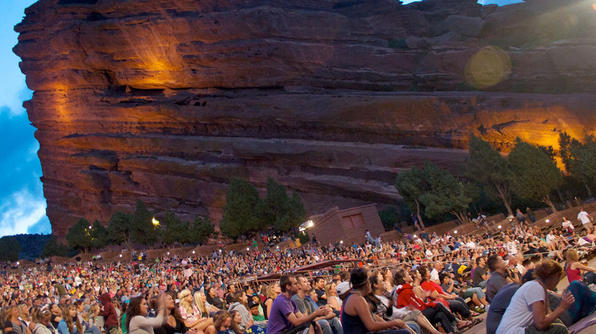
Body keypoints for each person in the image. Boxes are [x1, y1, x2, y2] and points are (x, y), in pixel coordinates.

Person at [496, 260, 574, 334]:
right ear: (554, 276)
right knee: (559, 330)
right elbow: (540, 324)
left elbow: (548, 317)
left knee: (557, 326)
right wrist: (562, 307)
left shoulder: (537, 286)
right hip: (514, 332)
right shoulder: (535, 287)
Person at [342, 268, 413, 334]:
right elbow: (371, 326)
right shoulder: (357, 299)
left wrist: (389, 325)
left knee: (411, 327)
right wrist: (394, 323)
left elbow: (374, 317)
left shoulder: (355, 296)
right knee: (405, 332)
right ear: (366, 284)